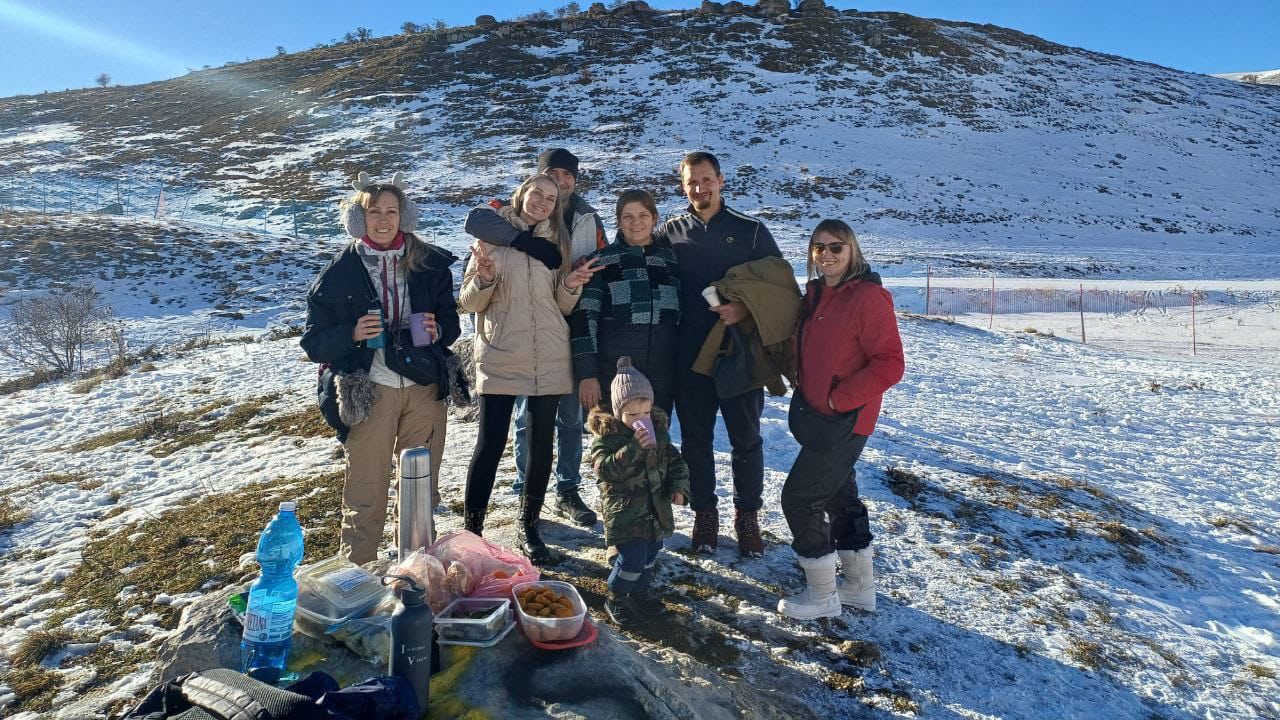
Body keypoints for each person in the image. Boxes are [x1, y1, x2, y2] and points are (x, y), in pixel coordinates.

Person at [301, 172, 460, 565]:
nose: (383, 219)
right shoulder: (340, 272)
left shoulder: (431, 264)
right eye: (374, 212)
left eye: (392, 210)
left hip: (424, 387)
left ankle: (418, 577)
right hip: (369, 389)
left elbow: (451, 324)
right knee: (366, 491)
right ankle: (357, 579)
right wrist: (352, 332)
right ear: (359, 219)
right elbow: (313, 342)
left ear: (405, 216)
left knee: (420, 490)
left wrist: (441, 329)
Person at [458, 173, 601, 565]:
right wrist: (484, 279)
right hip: (501, 352)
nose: (543, 201)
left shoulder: (558, 241)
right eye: (537, 192)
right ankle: (473, 530)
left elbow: (562, 305)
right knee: (489, 444)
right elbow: (468, 303)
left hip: (549, 356)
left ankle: (529, 525)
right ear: (521, 195)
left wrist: (571, 284)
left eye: (551, 198)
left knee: (541, 447)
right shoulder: (492, 238)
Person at [777, 219, 904, 619]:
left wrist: (838, 398)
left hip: (846, 419)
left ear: (852, 251)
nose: (826, 254)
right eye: (819, 247)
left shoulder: (868, 297)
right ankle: (859, 588)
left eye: (836, 247)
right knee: (837, 494)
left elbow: (890, 365)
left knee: (800, 497)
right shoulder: (816, 293)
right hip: (820, 416)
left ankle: (822, 596)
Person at [659, 151, 782, 557]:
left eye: (706, 179)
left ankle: (748, 517)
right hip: (688, 358)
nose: (700, 188)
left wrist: (745, 309)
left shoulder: (751, 232)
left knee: (746, 439)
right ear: (683, 185)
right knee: (696, 440)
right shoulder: (670, 232)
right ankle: (705, 514)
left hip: (740, 355)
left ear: (721, 181)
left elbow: (780, 288)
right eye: (692, 182)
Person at [587, 357, 690, 627]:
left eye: (645, 413)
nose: (641, 420)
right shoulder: (607, 438)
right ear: (618, 411)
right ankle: (617, 596)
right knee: (632, 559)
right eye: (632, 415)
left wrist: (678, 487)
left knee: (650, 555)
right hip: (626, 514)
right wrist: (633, 447)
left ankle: (640, 593)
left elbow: (675, 461)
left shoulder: (659, 432)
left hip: (655, 511)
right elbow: (606, 470)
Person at [571, 189, 680, 415]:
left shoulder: (670, 260)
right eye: (627, 216)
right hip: (614, 376)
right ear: (619, 221)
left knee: (655, 443)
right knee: (614, 446)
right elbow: (584, 319)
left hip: (662, 375)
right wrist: (587, 374)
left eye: (643, 215)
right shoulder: (602, 261)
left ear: (654, 218)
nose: (636, 222)